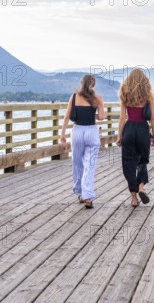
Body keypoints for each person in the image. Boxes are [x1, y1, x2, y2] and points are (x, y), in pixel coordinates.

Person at [60, 74, 105, 209]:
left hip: (77, 131)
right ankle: (88, 197)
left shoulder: (74, 97)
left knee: (77, 163)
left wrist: (62, 133)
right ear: (93, 85)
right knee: (89, 165)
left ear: (82, 83)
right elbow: (102, 117)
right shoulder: (97, 98)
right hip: (91, 131)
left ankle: (80, 193)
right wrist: (93, 114)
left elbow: (67, 116)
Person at [116, 69, 154, 208]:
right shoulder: (148, 96)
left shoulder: (125, 94)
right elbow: (152, 117)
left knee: (128, 163)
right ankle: (141, 187)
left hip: (129, 130)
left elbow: (122, 118)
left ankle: (134, 198)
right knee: (142, 161)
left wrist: (119, 136)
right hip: (142, 130)